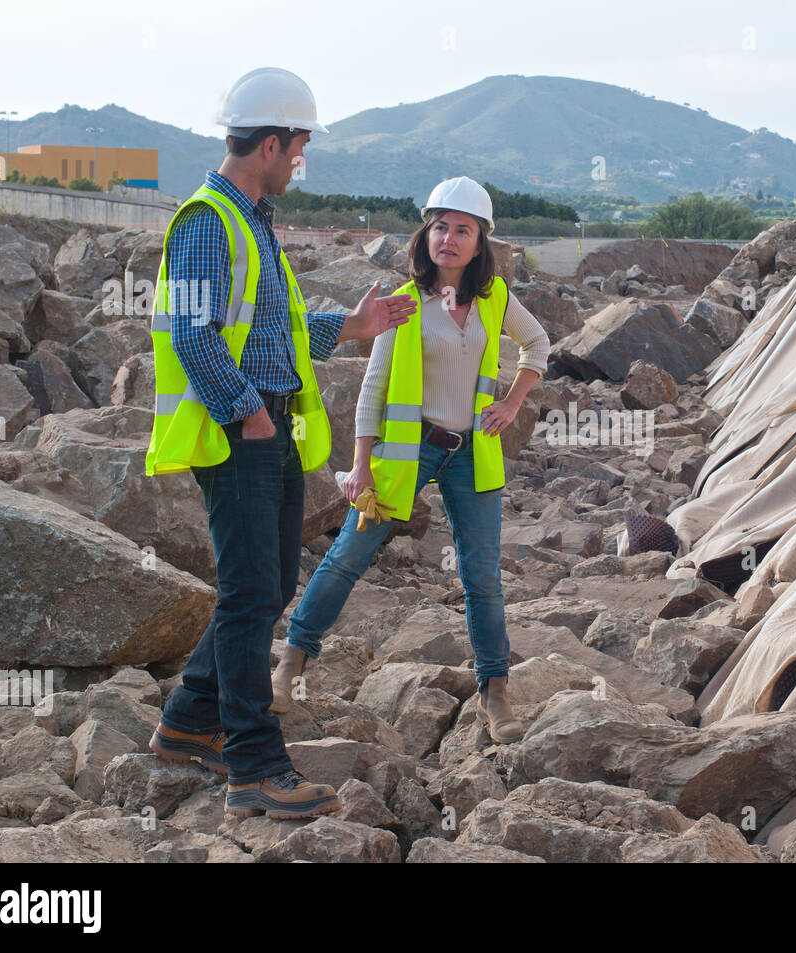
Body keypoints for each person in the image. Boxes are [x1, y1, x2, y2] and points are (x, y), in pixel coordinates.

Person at [143, 67, 416, 818]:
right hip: (240, 430)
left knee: (269, 588)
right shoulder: (206, 222)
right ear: (269, 144)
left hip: (270, 423)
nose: (301, 159)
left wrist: (354, 327)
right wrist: (246, 412)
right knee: (247, 594)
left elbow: (276, 336)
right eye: (297, 147)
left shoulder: (253, 219)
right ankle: (255, 767)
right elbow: (194, 333)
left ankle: (190, 719)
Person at [276, 176, 550, 742]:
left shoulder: (495, 298)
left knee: (481, 576)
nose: (448, 239)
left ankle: (495, 691)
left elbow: (538, 344)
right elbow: (373, 387)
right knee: (350, 553)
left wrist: (512, 402)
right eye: (440, 227)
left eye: (463, 230)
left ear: (481, 243)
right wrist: (358, 465)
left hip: (471, 452)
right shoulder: (404, 303)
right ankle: (291, 662)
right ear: (426, 233)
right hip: (409, 452)